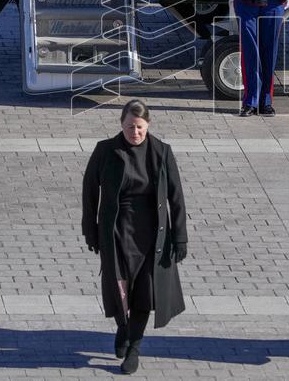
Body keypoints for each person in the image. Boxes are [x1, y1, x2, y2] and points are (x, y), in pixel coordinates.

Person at [81, 100, 188, 375]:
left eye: (140, 127)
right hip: (116, 231)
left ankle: (134, 348)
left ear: (148, 125)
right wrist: (90, 230)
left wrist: (180, 237)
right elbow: (90, 191)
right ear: (121, 124)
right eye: (130, 127)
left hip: (151, 234)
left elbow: (176, 197)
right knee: (117, 287)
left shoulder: (162, 152)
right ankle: (122, 326)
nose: (135, 132)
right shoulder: (106, 150)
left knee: (144, 293)